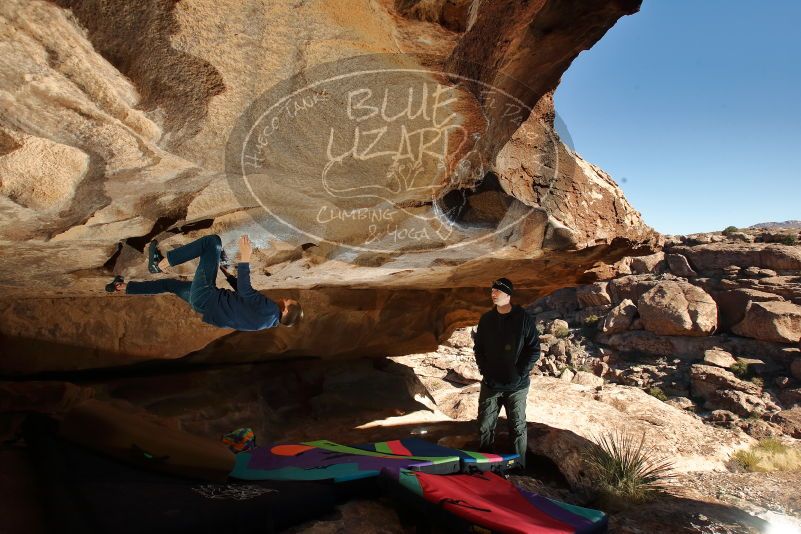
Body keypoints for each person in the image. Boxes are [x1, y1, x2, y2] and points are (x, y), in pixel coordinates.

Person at [106, 234, 303, 330]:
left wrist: (245, 257)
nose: (285, 299)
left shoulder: (270, 309)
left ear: (285, 311)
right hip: (202, 306)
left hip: (207, 295)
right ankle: (121, 287)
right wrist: (226, 272)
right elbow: (245, 300)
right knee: (170, 285)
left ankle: (161, 264)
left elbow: (245, 290)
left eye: (288, 301)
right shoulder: (265, 322)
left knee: (212, 243)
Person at [473, 277, 539, 467]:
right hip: (491, 384)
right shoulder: (486, 319)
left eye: (497, 291)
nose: (493, 294)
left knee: (517, 427)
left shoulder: (523, 318)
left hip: (516, 387)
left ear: (508, 294)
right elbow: (479, 348)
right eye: (492, 291)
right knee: (485, 425)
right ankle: (485, 464)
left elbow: (534, 349)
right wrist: (484, 370)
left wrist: (519, 373)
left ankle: (519, 468)